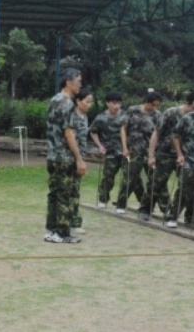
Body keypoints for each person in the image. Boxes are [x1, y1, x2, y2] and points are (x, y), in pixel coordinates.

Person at [138, 92, 194, 224]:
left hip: (187, 157)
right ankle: (145, 210)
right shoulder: (171, 112)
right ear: (190, 102)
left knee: (188, 187)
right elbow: (156, 133)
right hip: (166, 154)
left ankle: (189, 216)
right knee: (156, 183)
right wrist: (151, 155)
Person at [44, 68, 85, 243]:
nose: (80, 85)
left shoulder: (54, 100)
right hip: (64, 157)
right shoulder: (68, 103)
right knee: (64, 195)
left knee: (54, 193)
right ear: (68, 82)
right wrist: (79, 158)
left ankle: (51, 230)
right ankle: (62, 232)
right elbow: (68, 133)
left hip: (52, 155)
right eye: (78, 81)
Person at [90, 91, 144, 208]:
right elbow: (93, 132)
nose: (116, 106)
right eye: (114, 103)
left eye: (119, 103)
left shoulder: (125, 116)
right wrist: (99, 145)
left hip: (126, 152)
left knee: (133, 177)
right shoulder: (100, 118)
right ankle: (103, 199)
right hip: (111, 153)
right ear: (107, 103)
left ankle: (143, 202)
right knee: (108, 177)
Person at [115, 90, 163, 216]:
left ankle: (147, 207)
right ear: (146, 101)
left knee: (153, 179)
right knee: (129, 178)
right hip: (133, 150)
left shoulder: (157, 115)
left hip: (149, 152)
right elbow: (123, 129)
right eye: (152, 104)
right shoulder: (133, 110)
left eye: (157, 105)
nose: (154, 107)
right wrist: (124, 147)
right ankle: (121, 204)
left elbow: (159, 134)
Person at [164, 110, 194, 228]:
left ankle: (191, 218)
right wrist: (179, 154)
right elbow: (175, 135)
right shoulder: (188, 118)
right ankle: (173, 217)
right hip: (189, 159)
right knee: (183, 189)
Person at [70, 88, 93, 235]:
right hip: (71, 157)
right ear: (78, 101)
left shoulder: (84, 116)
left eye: (91, 102)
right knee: (70, 191)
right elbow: (70, 138)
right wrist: (78, 158)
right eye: (87, 101)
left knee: (75, 190)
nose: (89, 105)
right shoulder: (71, 116)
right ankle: (72, 222)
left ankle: (73, 221)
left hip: (80, 157)